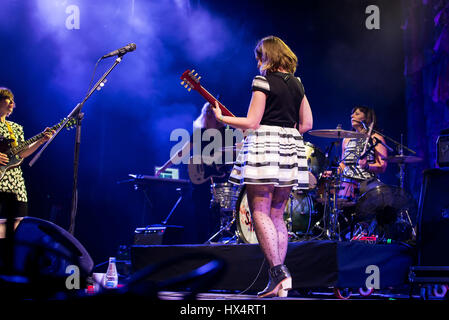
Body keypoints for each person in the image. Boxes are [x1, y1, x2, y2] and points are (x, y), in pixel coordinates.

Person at [211, 36, 313, 298]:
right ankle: (280, 280)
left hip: (265, 143)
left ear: (267, 56)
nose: (257, 62)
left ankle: (279, 273)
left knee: (259, 210)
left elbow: (253, 121)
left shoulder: (263, 81)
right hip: (290, 144)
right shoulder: (298, 84)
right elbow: (307, 125)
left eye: (259, 56)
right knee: (277, 214)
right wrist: (285, 131)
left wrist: (223, 118)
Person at [156, 102, 238, 243]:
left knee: (220, 213)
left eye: (212, 113)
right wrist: (164, 167)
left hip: (222, 178)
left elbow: (236, 151)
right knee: (200, 212)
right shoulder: (199, 133)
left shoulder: (227, 132)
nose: (209, 116)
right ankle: (203, 243)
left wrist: (226, 151)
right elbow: (182, 152)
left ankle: (220, 241)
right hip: (201, 179)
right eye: (207, 113)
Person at [0, 87, 54, 230]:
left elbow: (21, 154)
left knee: (16, 231)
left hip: (15, 187)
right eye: (7, 98)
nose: (11, 102)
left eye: (12, 99)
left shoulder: (16, 128)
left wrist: (40, 141)